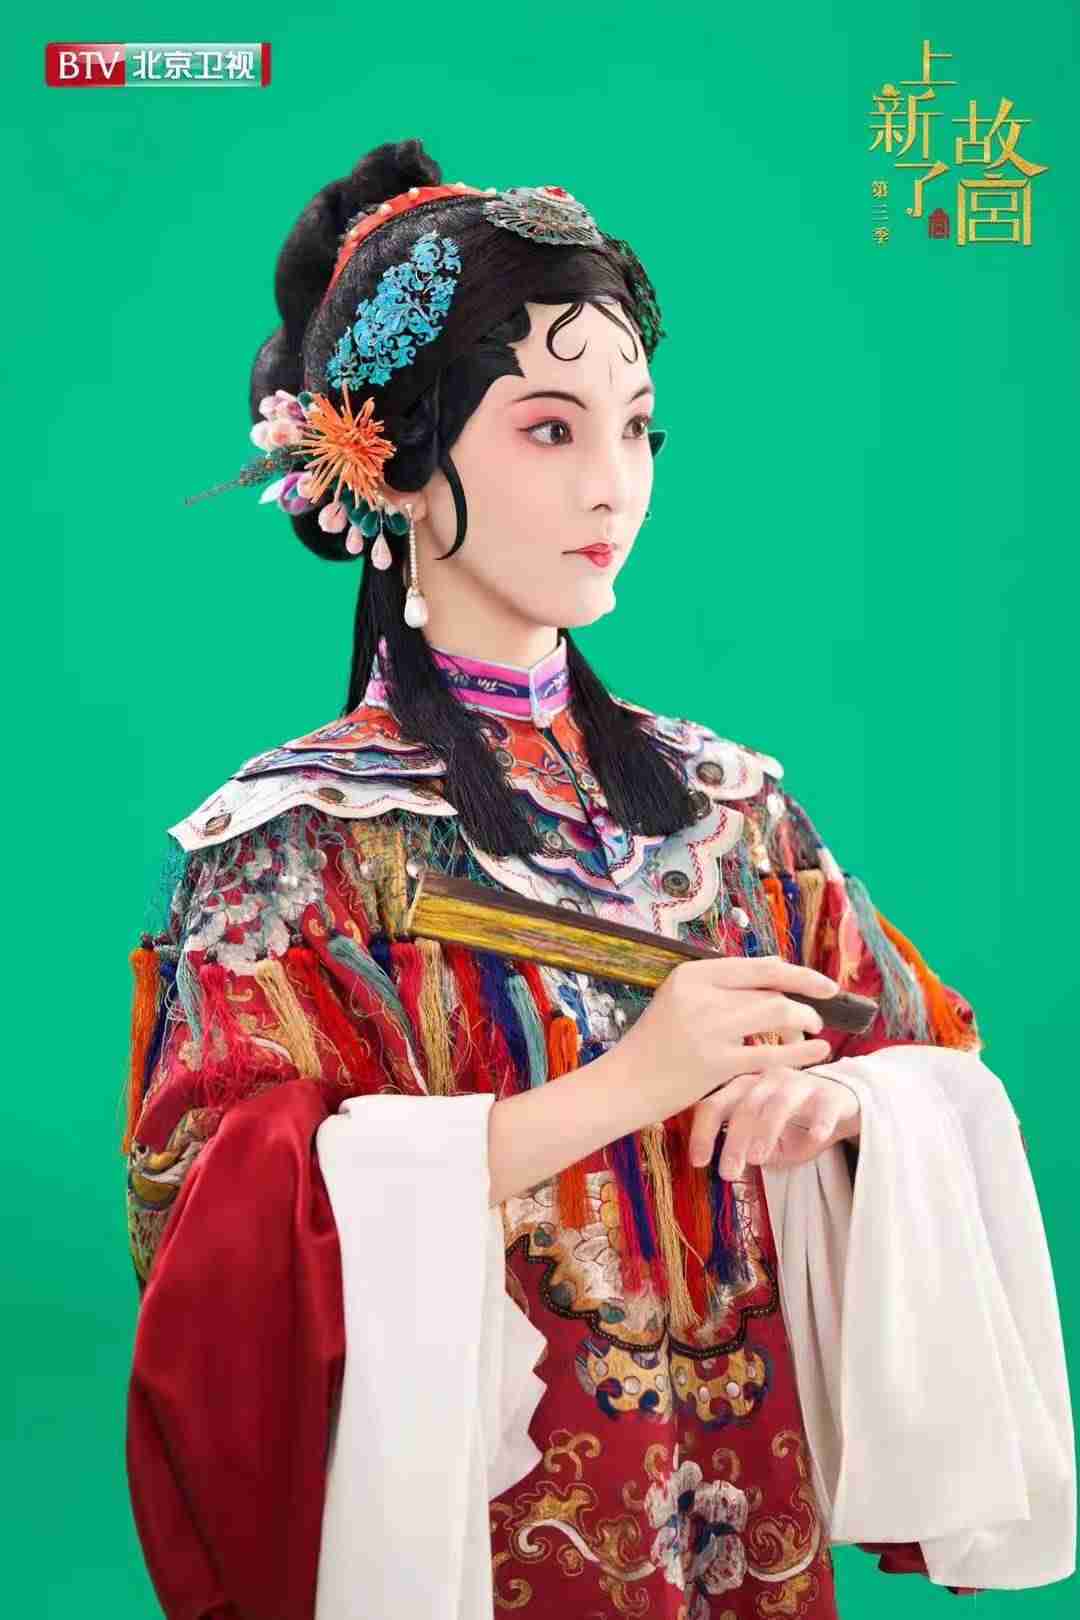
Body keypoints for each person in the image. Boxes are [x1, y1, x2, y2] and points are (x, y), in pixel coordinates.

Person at [122, 139, 1075, 1619]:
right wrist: (634, 1085)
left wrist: (852, 1113)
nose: (613, 484)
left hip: (744, 1502)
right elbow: (215, 1234)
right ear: (397, 454)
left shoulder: (732, 809)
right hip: (486, 1532)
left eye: (638, 430)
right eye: (550, 429)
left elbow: (919, 1047)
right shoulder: (291, 843)